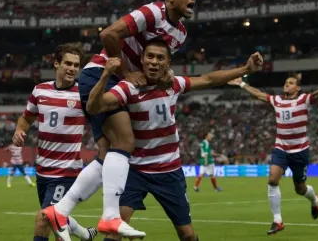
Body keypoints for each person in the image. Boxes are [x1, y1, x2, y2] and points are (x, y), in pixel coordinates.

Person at [43, 0, 197, 239]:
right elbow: (109, 34)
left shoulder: (180, 33)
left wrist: (166, 72)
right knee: (125, 142)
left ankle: (61, 211)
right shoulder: (152, 12)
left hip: (113, 79)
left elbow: (157, 57)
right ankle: (110, 217)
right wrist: (125, 73)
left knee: (107, 154)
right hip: (101, 74)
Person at [84, 39, 263, 241]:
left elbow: (209, 79)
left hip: (168, 172)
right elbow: (92, 107)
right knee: (115, 230)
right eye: (150, 56)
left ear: (167, 63)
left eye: (160, 58)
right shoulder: (129, 88)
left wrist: (246, 68)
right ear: (142, 59)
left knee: (186, 234)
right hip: (135, 171)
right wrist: (106, 75)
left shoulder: (174, 84)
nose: (154, 62)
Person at [228, 72, 318, 235]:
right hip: (281, 148)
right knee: (272, 179)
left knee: (300, 188)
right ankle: (277, 220)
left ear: (297, 88)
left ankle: (314, 200)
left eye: (291, 83)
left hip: (300, 151)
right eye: (286, 82)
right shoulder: (277, 101)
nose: (287, 84)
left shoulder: (303, 100)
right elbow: (258, 94)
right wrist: (242, 84)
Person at [12, 43, 97, 241]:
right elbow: (26, 117)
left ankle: (84, 234)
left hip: (67, 171)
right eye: (68, 63)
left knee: (44, 218)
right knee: (58, 222)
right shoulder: (40, 91)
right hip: (43, 170)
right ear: (56, 64)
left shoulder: (83, 94)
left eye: (76, 65)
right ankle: (85, 234)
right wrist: (19, 130)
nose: (72, 68)